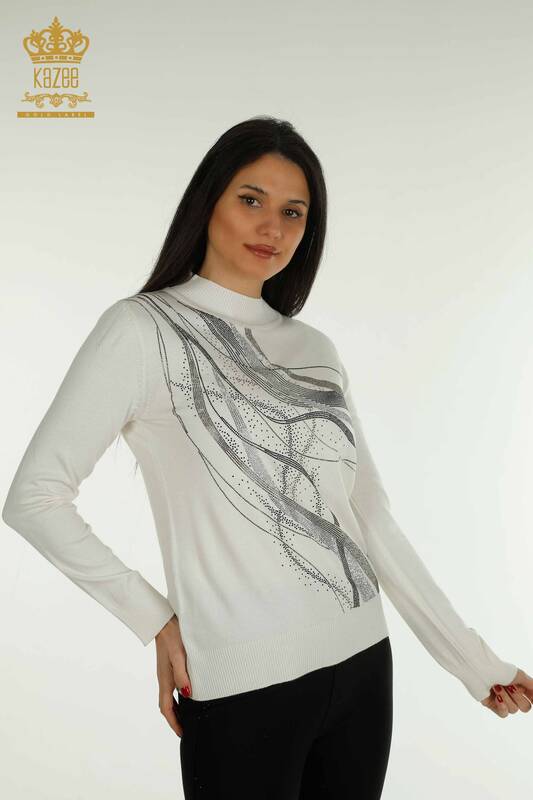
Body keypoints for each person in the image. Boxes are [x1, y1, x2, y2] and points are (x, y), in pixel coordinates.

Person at [3, 115, 531, 800]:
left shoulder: (314, 349)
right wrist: (155, 619)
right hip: (240, 687)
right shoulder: (142, 330)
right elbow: (35, 497)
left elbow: (369, 519)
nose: (271, 228)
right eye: (250, 199)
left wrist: (472, 662)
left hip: (361, 665)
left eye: (293, 212)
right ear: (208, 202)